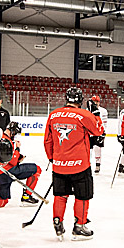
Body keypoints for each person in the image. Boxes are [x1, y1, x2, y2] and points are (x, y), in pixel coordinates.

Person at [45, 86, 103, 239]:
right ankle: (79, 225)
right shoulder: (83, 114)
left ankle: (57, 222)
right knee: (82, 195)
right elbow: (99, 131)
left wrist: (53, 159)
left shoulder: (53, 115)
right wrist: (95, 114)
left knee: (60, 195)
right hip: (80, 165)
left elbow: (47, 140)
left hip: (59, 165)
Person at [0, 122, 42, 207]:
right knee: (37, 169)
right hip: (7, 172)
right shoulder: (7, 142)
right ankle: (26, 196)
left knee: (3, 200)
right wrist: (17, 148)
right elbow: (12, 162)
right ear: (13, 131)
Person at [86, 94, 108, 174]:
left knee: (97, 149)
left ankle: (98, 164)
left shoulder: (103, 111)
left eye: (97, 102)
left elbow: (104, 123)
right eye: (94, 101)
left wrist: (103, 133)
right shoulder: (87, 110)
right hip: (89, 133)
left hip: (99, 132)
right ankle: (88, 164)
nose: (95, 103)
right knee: (88, 149)